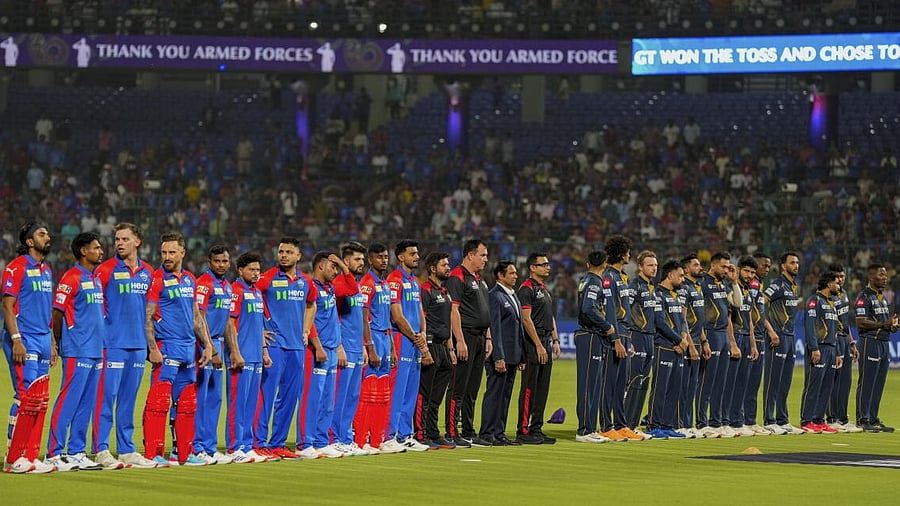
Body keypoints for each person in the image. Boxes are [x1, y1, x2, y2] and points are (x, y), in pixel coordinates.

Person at [142, 232, 215, 467]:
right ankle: (153, 453)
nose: (167, 256)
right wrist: (152, 348)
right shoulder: (157, 279)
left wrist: (208, 344)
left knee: (186, 405)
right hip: (167, 347)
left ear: (182, 253)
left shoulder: (189, 280)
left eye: (172, 252)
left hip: (188, 349)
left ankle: (183, 454)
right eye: (164, 252)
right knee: (159, 402)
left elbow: (195, 316)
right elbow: (148, 316)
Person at [93, 223, 159, 469]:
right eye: (117, 239)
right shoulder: (105, 270)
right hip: (112, 344)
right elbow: (96, 309)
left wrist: (152, 345)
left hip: (138, 346)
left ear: (137, 242)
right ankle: (101, 449)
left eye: (125, 239)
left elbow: (151, 312)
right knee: (106, 398)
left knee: (129, 400)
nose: (119, 243)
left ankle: (126, 449)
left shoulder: (148, 272)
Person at [44, 233, 106, 471]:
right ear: (83, 251)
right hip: (77, 349)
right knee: (69, 399)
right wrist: (58, 342)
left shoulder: (95, 279)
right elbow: (57, 313)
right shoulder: (71, 277)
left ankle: (77, 451)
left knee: (87, 403)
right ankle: (54, 453)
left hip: (96, 350)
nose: (100, 251)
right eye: (96, 248)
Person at [254, 237, 316, 460]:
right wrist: (259, 329)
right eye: (281, 251)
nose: (283, 255)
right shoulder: (267, 278)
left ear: (298, 256)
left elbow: (312, 304)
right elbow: (251, 297)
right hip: (274, 345)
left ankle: (277, 444)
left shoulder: (305, 282)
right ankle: (258, 443)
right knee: (266, 396)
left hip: (297, 347)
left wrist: (306, 330)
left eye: (289, 252)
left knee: (289, 398)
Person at [3, 222, 56, 474]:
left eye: (46, 233)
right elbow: (7, 305)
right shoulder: (16, 267)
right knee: (25, 397)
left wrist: (53, 343)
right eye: (41, 234)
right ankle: (13, 457)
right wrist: (16, 339)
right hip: (24, 339)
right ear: (29, 242)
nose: (47, 237)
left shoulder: (46, 270)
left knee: (41, 399)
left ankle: (31, 455)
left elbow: (46, 310)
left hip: (43, 339)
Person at [299, 252, 356, 459]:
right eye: (333, 267)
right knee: (312, 398)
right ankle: (305, 442)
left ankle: (321, 441)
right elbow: (309, 318)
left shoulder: (330, 287)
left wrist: (341, 263)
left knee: (327, 400)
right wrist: (318, 345)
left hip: (331, 349)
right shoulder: (311, 287)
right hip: (317, 351)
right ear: (321, 266)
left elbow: (353, 288)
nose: (336, 272)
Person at [223, 251, 271, 463]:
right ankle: (234, 448)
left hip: (255, 356)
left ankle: (246, 444)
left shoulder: (257, 293)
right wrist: (235, 352)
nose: (255, 273)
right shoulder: (236, 291)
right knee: (238, 403)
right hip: (240, 356)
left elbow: (258, 326)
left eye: (258, 270)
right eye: (251, 269)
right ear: (240, 270)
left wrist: (263, 351)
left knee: (251, 403)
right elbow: (231, 324)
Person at [445, 239, 492, 447]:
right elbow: (453, 311)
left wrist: (488, 337)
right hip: (465, 337)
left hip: (481, 337)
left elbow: (486, 312)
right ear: (470, 255)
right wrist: (460, 341)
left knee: (472, 388)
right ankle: (452, 431)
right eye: (482, 255)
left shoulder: (480, 280)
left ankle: (469, 431)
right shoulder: (457, 277)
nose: (486, 259)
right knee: (458, 386)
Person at [386, 240, 432, 452]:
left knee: (411, 391)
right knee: (398, 389)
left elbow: (420, 310)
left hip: (414, 341)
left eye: (417, 253)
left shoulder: (414, 281)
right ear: (400, 257)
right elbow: (396, 315)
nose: (417, 256)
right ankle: (390, 434)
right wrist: (415, 337)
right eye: (412, 253)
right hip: (401, 340)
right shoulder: (394, 280)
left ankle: (406, 435)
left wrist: (422, 333)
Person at [353, 243, 399, 453]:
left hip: (385, 338)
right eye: (379, 257)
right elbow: (363, 317)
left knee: (383, 394)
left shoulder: (386, 284)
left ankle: (377, 440)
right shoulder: (367, 284)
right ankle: (362, 439)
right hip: (373, 339)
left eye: (386, 256)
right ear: (370, 260)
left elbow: (388, 319)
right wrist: (369, 346)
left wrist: (392, 349)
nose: (384, 260)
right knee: (368, 393)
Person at [192, 245, 233, 465]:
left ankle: (209, 446)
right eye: (217, 261)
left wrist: (231, 350)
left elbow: (226, 321)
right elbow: (199, 317)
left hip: (218, 344)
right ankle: (197, 446)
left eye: (224, 261)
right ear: (209, 262)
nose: (221, 265)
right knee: (201, 397)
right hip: (204, 346)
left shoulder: (226, 286)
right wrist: (212, 348)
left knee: (215, 398)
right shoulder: (204, 284)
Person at [600, 235, 643, 441]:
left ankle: (620, 424)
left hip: (625, 335)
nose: (629, 255)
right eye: (627, 252)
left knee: (621, 384)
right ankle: (606, 425)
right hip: (614, 337)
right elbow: (609, 311)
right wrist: (616, 339)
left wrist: (628, 340)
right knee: (610, 382)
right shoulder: (608, 276)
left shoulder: (622, 276)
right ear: (621, 253)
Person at [478, 260, 524, 446]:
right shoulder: (494, 296)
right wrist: (498, 356)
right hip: (500, 356)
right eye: (511, 273)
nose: (515, 276)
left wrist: (521, 356)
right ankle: (487, 432)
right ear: (500, 275)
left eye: (515, 273)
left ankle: (500, 432)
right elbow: (494, 329)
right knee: (495, 393)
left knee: (505, 396)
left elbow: (517, 328)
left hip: (513, 355)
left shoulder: (513, 295)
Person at [516, 253, 560, 445]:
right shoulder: (526, 289)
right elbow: (526, 319)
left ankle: (536, 428)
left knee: (542, 388)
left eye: (548, 264)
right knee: (529, 388)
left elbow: (550, 316)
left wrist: (555, 339)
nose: (547, 267)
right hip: (532, 344)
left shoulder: (544, 289)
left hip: (545, 341)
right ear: (532, 268)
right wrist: (538, 345)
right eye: (543, 265)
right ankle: (523, 430)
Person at [414, 251, 457, 449]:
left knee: (437, 396)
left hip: (443, 348)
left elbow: (446, 321)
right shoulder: (425, 290)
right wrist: (425, 350)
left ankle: (433, 432)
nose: (448, 267)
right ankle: (420, 434)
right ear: (433, 268)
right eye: (444, 265)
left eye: (448, 264)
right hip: (430, 346)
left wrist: (450, 348)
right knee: (425, 393)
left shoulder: (444, 291)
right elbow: (422, 321)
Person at [573, 251, 617, 443]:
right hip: (590, 335)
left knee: (594, 384)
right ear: (606, 264)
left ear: (587, 263)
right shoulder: (594, 282)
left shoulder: (587, 280)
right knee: (589, 385)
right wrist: (607, 326)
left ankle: (590, 427)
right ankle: (584, 430)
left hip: (594, 336)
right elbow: (588, 308)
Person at [696, 252, 741, 438]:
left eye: (728, 266)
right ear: (713, 265)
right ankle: (701, 422)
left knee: (720, 382)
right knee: (707, 381)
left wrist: (735, 281)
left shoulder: (723, 284)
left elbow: (736, 306)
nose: (726, 270)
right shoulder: (702, 283)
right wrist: (703, 339)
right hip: (710, 334)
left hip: (723, 334)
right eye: (723, 267)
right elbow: (697, 313)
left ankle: (716, 422)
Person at [331, 242, 369, 456]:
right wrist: (338, 346)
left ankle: (345, 436)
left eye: (363, 260)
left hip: (356, 347)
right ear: (346, 261)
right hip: (344, 347)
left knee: (353, 396)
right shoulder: (339, 285)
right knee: (340, 396)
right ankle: (335, 437)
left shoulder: (357, 285)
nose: (361, 263)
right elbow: (332, 318)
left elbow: (360, 319)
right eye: (357, 259)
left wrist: (364, 345)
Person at [645, 260, 690, 440]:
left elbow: (682, 320)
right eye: (680, 275)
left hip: (679, 347)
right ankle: (654, 425)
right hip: (663, 346)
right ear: (670, 275)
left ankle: (667, 425)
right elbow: (660, 322)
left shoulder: (676, 296)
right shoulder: (657, 294)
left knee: (674, 388)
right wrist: (679, 340)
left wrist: (684, 338)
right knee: (660, 388)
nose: (683, 279)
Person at [762, 251, 803, 435]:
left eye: (797, 263)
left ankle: (782, 419)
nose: (796, 265)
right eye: (792, 262)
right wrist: (770, 330)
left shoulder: (794, 286)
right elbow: (760, 305)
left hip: (790, 336)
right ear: (783, 266)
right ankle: (769, 420)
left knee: (785, 381)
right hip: (777, 337)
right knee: (773, 380)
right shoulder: (776, 285)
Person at [854, 264, 898, 433]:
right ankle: (862, 419)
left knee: (878, 383)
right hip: (869, 342)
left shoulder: (882, 298)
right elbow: (861, 322)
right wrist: (883, 324)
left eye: (886, 275)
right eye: (881, 275)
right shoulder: (863, 296)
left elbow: (884, 322)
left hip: (884, 343)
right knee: (867, 382)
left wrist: (891, 326)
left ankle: (873, 418)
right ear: (871, 277)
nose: (885, 278)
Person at [799, 271, 842, 434]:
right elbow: (809, 326)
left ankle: (819, 420)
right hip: (819, 348)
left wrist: (837, 352)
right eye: (837, 283)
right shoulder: (814, 301)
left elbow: (835, 330)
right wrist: (814, 348)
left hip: (831, 348)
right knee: (813, 385)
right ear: (829, 283)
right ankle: (806, 420)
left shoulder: (832, 303)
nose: (839, 286)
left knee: (826, 386)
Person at [723, 257, 760, 437]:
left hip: (746, 336)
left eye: (753, 273)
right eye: (746, 271)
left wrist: (753, 345)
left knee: (743, 383)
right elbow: (728, 318)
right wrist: (732, 342)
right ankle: (726, 420)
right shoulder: (730, 287)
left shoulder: (749, 291)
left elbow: (750, 319)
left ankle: (737, 421)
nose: (750, 275)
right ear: (738, 270)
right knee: (730, 382)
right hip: (736, 336)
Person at [625, 250, 661, 431]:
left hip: (650, 338)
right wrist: (628, 338)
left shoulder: (652, 287)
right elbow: (624, 311)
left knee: (644, 381)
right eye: (650, 265)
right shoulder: (634, 286)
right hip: (637, 336)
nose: (654, 268)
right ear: (640, 267)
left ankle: (633, 423)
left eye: (655, 265)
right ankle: (623, 422)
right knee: (633, 380)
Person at [825, 263, 862, 433]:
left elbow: (845, 322)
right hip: (833, 340)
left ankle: (843, 418)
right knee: (834, 382)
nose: (840, 279)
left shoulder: (845, 294)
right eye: (837, 277)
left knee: (846, 382)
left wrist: (852, 342)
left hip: (844, 340)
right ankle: (832, 418)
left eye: (842, 276)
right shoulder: (828, 296)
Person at [743, 252, 776, 436]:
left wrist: (770, 330)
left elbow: (759, 313)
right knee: (745, 381)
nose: (766, 269)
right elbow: (749, 313)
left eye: (768, 266)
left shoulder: (758, 285)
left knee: (755, 382)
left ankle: (750, 420)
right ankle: (742, 420)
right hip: (750, 336)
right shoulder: (749, 285)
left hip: (760, 336)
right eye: (764, 265)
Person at [675, 254, 703, 438]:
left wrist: (704, 341)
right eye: (696, 265)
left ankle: (688, 423)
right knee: (683, 386)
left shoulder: (698, 288)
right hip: (688, 343)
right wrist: (691, 345)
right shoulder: (684, 289)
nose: (700, 267)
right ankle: (680, 423)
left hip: (699, 341)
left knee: (693, 386)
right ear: (686, 269)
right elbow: (683, 318)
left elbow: (700, 320)